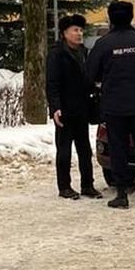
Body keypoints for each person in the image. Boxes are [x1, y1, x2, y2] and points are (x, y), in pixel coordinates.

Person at [85, 0, 135, 209]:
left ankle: (121, 193)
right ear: (131, 17)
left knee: (118, 149)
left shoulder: (103, 44)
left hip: (115, 106)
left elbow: (90, 73)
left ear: (110, 18)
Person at [46, 14, 103, 200]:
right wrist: (55, 107)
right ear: (65, 33)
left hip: (82, 108)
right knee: (64, 150)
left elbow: (89, 79)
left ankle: (88, 185)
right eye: (75, 30)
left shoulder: (85, 53)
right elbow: (52, 83)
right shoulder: (56, 54)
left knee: (84, 149)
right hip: (64, 110)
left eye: (81, 30)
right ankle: (64, 187)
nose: (79, 34)